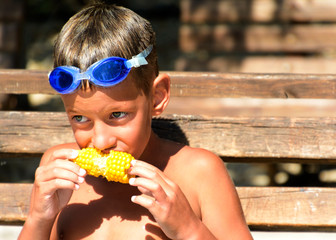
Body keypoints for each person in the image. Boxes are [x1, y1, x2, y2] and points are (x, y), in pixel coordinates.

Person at [19, 3, 253, 240]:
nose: (100, 142)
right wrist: (39, 218)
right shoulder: (59, 170)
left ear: (157, 97)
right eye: (80, 118)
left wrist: (189, 230)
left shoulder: (199, 173)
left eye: (117, 115)